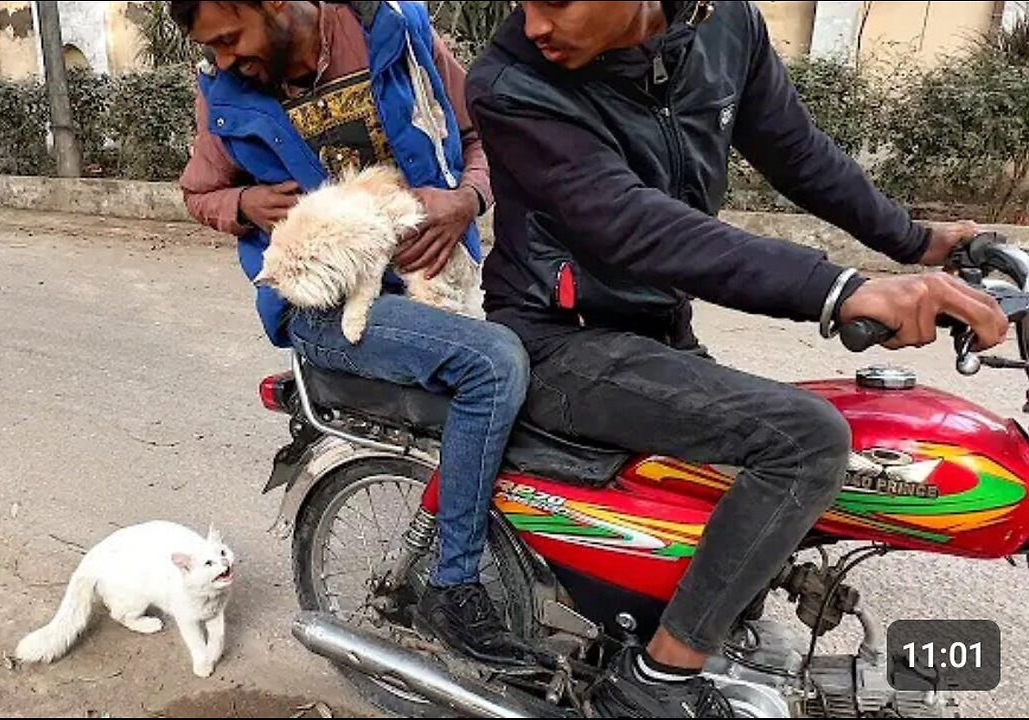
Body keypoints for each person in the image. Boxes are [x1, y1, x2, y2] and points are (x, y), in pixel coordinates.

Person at [465, 1, 1009, 716]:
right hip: (560, 339)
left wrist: (916, 242)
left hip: (657, 324)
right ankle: (653, 685)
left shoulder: (728, 27)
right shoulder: (511, 80)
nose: (534, 23)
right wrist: (842, 289)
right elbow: (632, 225)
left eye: (556, 1)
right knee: (804, 438)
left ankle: (680, 628)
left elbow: (797, 152)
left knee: (817, 460)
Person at [171, 0, 533, 667]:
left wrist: (466, 200)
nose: (225, 61)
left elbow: (479, 140)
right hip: (327, 309)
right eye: (213, 48)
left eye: (229, 38)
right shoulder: (222, 92)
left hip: (437, 279)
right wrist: (243, 204)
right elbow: (197, 192)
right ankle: (454, 585)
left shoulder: (399, 34)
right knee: (494, 363)